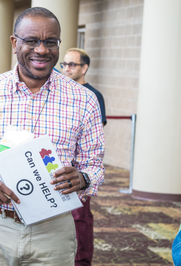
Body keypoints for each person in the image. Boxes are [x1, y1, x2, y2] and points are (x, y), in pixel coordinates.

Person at [0, 7, 105, 266]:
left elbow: (94, 166)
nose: (41, 50)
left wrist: (84, 178)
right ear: (14, 42)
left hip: (53, 231)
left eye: (50, 42)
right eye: (31, 41)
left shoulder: (84, 100)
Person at [61, 48, 107, 266]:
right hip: (56, 166)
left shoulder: (93, 96)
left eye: (72, 64)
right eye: (65, 64)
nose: (67, 68)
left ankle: (81, 261)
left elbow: (94, 138)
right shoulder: (60, 92)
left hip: (79, 171)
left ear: (84, 68)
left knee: (80, 217)